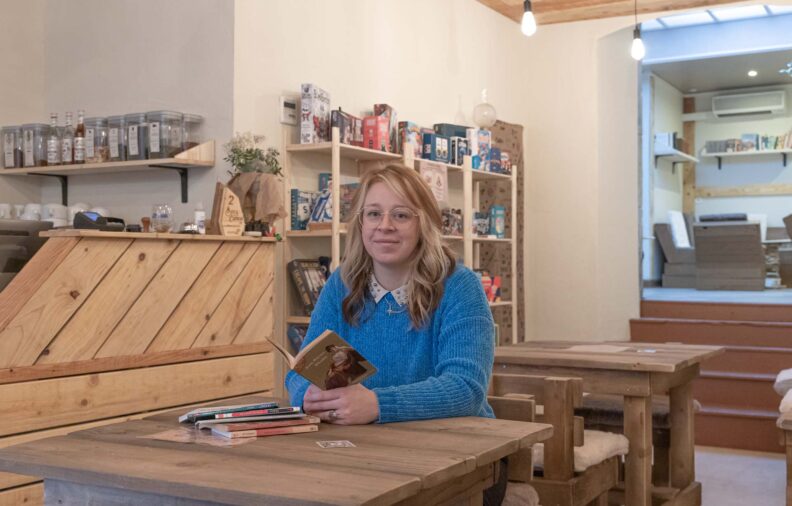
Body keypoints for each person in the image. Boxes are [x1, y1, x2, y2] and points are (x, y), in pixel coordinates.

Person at [285, 164, 505, 504]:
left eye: (401, 215)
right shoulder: (341, 284)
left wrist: (377, 404)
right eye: (373, 214)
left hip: (463, 462)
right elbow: (303, 367)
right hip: (365, 456)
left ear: (423, 224)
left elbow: (466, 389)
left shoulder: (460, 287)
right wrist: (307, 395)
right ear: (361, 223)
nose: (384, 226)